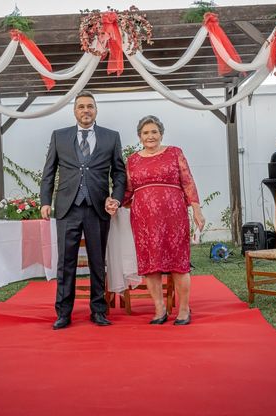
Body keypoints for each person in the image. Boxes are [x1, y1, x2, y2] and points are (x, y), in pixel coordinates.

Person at [40, 91, 126, 330]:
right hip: (68, 208)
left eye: (90, 106)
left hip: (98, 208)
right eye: (81, 107)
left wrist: (116, 199)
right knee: (65, 263)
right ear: (74, 111)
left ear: (96, 110)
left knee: (98, 262)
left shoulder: (111, 137)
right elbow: (49, 173)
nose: (85, 110)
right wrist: (45, 201)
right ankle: (63, 313)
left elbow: (119, 173)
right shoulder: (59, 137)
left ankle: (98, 310)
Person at [123, 115, 205, 325]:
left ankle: (184, 309)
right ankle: (159, 310)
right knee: (151, 264)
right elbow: (127, 191)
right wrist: (113, 202)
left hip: (174, 216)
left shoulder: (174, 152)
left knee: (179, 263)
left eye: (154, 132)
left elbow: (188, 182)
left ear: (161, 134)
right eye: (145, 133)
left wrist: (196, 209)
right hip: (143, 220)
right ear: (139, 136)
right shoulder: (132, 160)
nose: (150, 136)